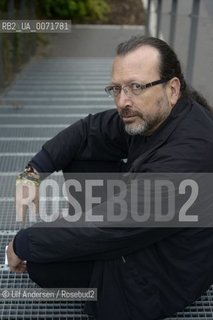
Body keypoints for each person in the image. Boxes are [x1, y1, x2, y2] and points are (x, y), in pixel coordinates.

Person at [6, 36, 213, 320]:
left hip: (166, 277)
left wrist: (25, 242)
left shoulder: (189, 154)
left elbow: (116, 223)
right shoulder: (154, 114)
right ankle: (79, 239)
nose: (122, 102)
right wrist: (32, 172)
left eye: (136, 87)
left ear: (173, 88)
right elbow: (88, 131)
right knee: (82, 154)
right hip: (138, 225)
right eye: (116, 89)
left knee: (43, 263)